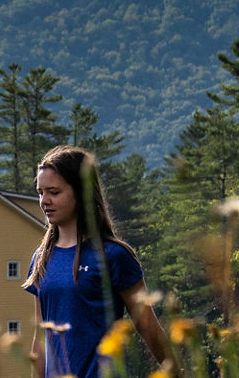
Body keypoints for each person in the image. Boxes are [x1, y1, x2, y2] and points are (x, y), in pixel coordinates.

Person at [24, 146, 172, 378]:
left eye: (54, 192)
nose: (44, 201)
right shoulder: (41, 258)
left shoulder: (113, 256)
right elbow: (40, 340)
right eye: (40, 192)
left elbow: (149, 328)